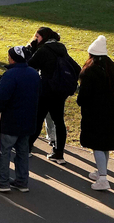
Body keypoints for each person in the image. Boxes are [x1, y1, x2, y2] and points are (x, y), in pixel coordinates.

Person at [76, 35, 114, 191]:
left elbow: (83, 96)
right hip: (111, 111)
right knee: (104, 144)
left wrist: (82, 101)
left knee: (97, 144)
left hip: (94, 112)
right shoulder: (113, 67)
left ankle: (103, 178)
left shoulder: (90, 71)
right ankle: (101, 171)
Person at [0, 47, 42, 193]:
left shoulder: (10, 75)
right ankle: (21, 181)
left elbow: (2, 96)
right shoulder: (34, 74)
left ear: (12, 58)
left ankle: (2, 181)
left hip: (11, 119)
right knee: (22, 152)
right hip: (29, 119)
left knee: (4, 150)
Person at [25, 27, 77, 161]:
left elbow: (30, 65)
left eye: (37, 37)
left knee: (37, 118)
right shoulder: (61, 49)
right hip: (60, 91)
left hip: (46, 90)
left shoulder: (44, 50)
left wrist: (32, 49)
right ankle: (59, 153)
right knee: (59, 121)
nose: (35, 39)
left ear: (44, 37)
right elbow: (76, 68)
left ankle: (27, 148)